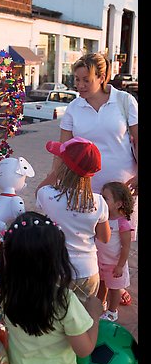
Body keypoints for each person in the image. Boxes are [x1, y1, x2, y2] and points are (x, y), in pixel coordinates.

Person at [38, 52, 138, 306]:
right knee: (89, 243)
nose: (80, 86)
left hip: (120, 190)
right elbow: (62, 148)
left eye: (86, 80)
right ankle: (97, 292)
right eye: (76, 80)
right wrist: (54, 178)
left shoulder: (125, 102)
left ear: (102, 77)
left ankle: (114, 285)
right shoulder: (74, 107)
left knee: (115, 244)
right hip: (85, 188)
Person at [0, 211, 103, 364]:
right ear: (55, 258)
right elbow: (84, 349)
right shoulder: (64, 301)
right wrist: (94, 314)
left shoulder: (3, 292)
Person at [35, 137, 110, 301]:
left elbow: (39, 191)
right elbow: (104, 238)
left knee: (56, 318)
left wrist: (55, 172)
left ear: (63, 166)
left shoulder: (48, 195)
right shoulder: (98, 202)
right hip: (88, 271)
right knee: (84, 320)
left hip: (57, 271)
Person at [96, 182, 134, 322]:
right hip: (100, 260)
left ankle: (112, 312)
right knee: (101, 285)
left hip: (114, 264)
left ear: (118, 204)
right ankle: (100, 306)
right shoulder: (101, 217)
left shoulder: (122, 223)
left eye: (105, 198)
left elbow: (126, 247)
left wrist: (120, 265)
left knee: (114, 289)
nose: (101, 199)